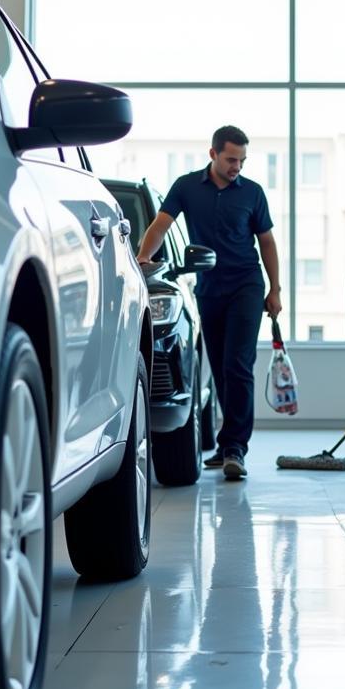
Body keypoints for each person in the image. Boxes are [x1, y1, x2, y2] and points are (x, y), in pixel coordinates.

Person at [137, 125, 281, 480]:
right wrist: (141, 260)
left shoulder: (252, 193)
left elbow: (267, 243)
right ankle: (224, 446)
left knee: (238, 365)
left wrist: (275, 289)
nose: (237, 167)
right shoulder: (186, 187)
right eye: (232, 159)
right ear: (213, 154)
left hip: (246, 286)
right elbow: (161, 226)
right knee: (217, 368)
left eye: (242, 161)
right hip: (208, 288)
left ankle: (235, 448)